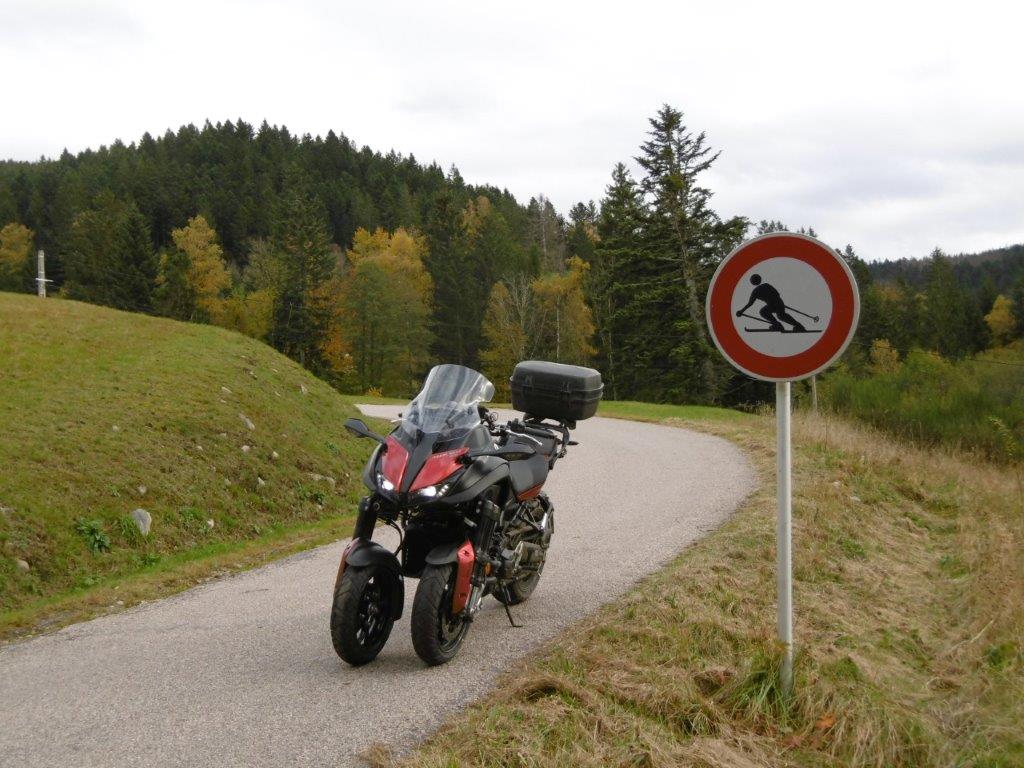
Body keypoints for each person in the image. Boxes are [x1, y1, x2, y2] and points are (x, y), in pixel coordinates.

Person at [735, 274, 806, 331]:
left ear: (752, 282)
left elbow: (750, 303)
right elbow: (777, 294)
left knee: (764, 312)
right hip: (779, 303)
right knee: (781, 315)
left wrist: (741, 311)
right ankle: (797, 326)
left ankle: (777, 325)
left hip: (775, 304)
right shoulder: (766, 285)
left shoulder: (755, 292)